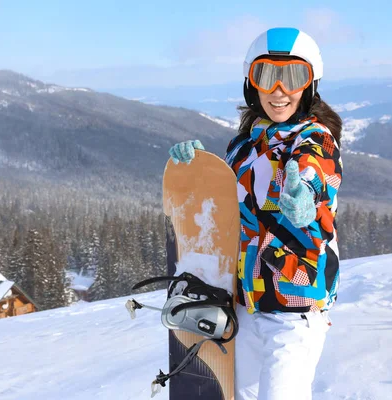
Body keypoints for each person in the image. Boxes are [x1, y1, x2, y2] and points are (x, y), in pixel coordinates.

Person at [168, 27, 343, 400]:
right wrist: (197, 169)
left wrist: (306, 195)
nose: (279, 90)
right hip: (246, 305)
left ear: (311, 84)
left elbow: (316, 171)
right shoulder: (243, 145)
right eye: (267, 76)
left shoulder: (316, 138)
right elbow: (222, 208)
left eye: (293, 76)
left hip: (295, 311)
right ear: (252, 83)